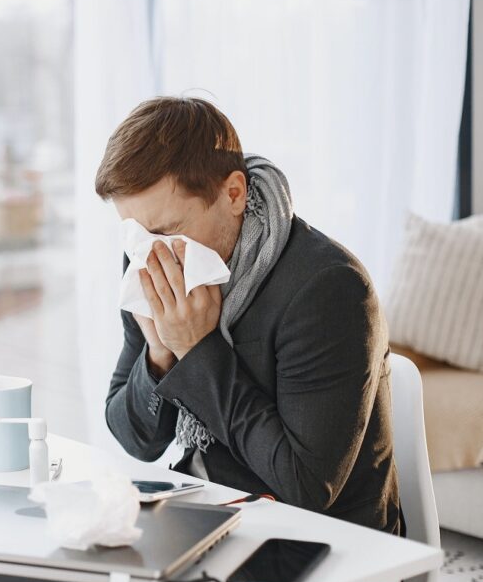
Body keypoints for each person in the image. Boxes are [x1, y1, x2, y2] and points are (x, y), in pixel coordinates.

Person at [98, 97, 401, 537]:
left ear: (233, 194)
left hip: (324, 541)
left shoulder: (328, 288)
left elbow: (307, 486)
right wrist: (160, 355)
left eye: (165, 231)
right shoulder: (149, 258)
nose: (149, 252)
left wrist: (197, 350)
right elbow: (136, 440)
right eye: (134, 232)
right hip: (205, 513)